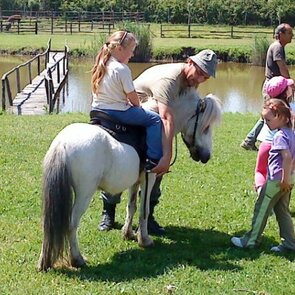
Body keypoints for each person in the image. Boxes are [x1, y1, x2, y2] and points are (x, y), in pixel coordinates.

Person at [99, 49, 218, 235]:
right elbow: (165, 117)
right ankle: (109, 211)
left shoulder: (190, 82)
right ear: (189, 63)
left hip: (151, 118)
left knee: (156, 167)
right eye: (200, 73)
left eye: (205, 77)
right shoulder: (169, 80)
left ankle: (148, 214)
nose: (200, 80)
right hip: (131, 113)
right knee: (124, 162)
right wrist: (166, 155)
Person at [91, 30, 163, 172]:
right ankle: (153, 159)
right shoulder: (122, 69)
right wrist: (138, 106)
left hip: (97, 110)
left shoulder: (101, 65)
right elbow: (133, 96)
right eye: (131, 50)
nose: (132, 54)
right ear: (119, 49)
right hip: (117, 112)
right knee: (154, 119)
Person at [231, 98, 295, 252]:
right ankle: (289, 244)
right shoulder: (291, 134)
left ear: (283, 118)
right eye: (264, 120)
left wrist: (284, 180)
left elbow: (286, 156)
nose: (266, 123)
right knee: (282, 211)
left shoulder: (280, 136)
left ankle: (250, 241)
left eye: (268, 119)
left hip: (277, 181)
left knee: (262, 209)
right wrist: (290, 177)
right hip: (289, 178)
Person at [240, 23, 293, 151]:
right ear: (281, 34)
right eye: (290, 33)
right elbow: (282, 67)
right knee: (272, 114)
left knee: (270, 114)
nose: (292, 35)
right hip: (275, 87)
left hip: (275, 86)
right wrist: (290, 83)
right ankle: (253, 141)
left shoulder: (278, 46)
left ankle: (251, 140)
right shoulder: (278, 47)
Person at [255, 76, 294, 194]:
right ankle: (278, 195)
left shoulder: (268, 106)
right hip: (285, 146)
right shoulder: (290, 109)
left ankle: (262, 192)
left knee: (260, 171)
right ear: (286, 92)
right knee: (283, 171)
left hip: (266, 144)